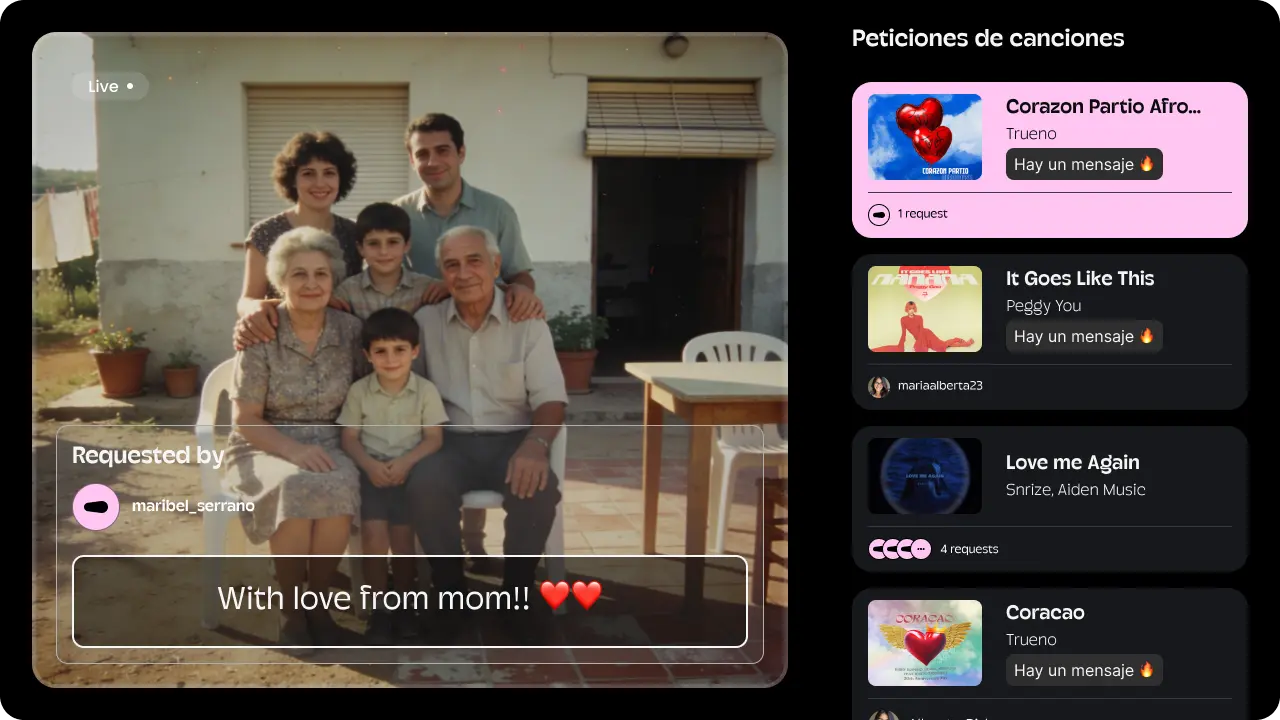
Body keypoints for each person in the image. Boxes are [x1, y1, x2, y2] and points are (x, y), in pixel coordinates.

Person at [393, 112, 547, 562]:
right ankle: (443, 556)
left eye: (443, 150)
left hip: (484, 327)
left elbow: (519, 273)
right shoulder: (398, 214)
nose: (433, 160)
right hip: (429, 338)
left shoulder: (496, 210)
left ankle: (474, 541)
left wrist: (521, 292)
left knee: (482, 408)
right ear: (411, 159)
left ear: (461, 153)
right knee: (447, 430)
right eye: (422, 153)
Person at [408, 225, 568, 643]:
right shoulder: (425, 323)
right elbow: (410, 392)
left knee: (537, 486)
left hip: (512, 439)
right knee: (424, 483)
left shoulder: (527, 321)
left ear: (497, 265)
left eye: (474, 261)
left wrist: (536, 446)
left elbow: (551, 398)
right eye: (451, 265)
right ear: (441, 274)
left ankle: (517, 594)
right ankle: (450, 591)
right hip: (449, 441)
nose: (463, 274)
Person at [219, 227, 367, 653]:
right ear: (280, 282)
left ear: (333, 279)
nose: (311, 284)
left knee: (338, 482)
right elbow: (245, 418)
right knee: (294, 484)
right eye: (298, 274)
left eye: (321, 274)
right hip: (262, 442)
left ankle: (316, 606)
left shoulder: (351, 331)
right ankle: (291, 608)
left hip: (332, 442)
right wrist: (293, 451)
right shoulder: (260, 331)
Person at [329, 201, 495, 572]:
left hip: (422, 393)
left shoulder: (430, 288)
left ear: (407, 246)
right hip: (368, 398)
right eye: (373, 243)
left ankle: (471, 545)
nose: (384, 251)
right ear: (360, 248)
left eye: (393, 242)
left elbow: (472, 299)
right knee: (377, 508)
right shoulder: (347, 291)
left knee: (451, 452)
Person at [338, 308, 449, 643]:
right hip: (371, 474)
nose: (390, 359)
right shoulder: (359, 391)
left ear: (414, 351)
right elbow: (349, 437)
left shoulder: (425, 390)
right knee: (373, 539)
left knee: (403, 542)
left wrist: (405, 463)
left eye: (400, 349)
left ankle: (404, 606)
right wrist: (370, 466)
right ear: (367, 355)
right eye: (380, 351)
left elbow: (434, 438)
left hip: (408, 475)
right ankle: (378, 610)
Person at [234, 131, 364, 351]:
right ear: (292, 179)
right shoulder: (265, 233)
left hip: (340, 348)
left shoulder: (354, 234)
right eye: (308, 173)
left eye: (329, 173)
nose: (320, 183)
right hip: (279, 348)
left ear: (341, 178)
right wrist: (254, 308)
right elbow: (247, 300)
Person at [872, 301, 974, 352]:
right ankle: (874, 350)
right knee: (897, 349)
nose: (911, 310)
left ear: (915, 309)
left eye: (913, 308)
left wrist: (918, 345)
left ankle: (960, 341)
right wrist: (900, 345)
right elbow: (903, 333)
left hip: (926, 334)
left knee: (942, 346)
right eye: (909, 308)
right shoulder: (903, 319)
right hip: (920, 339)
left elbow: (921, 331)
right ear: (906, 309)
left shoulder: (919, 317)